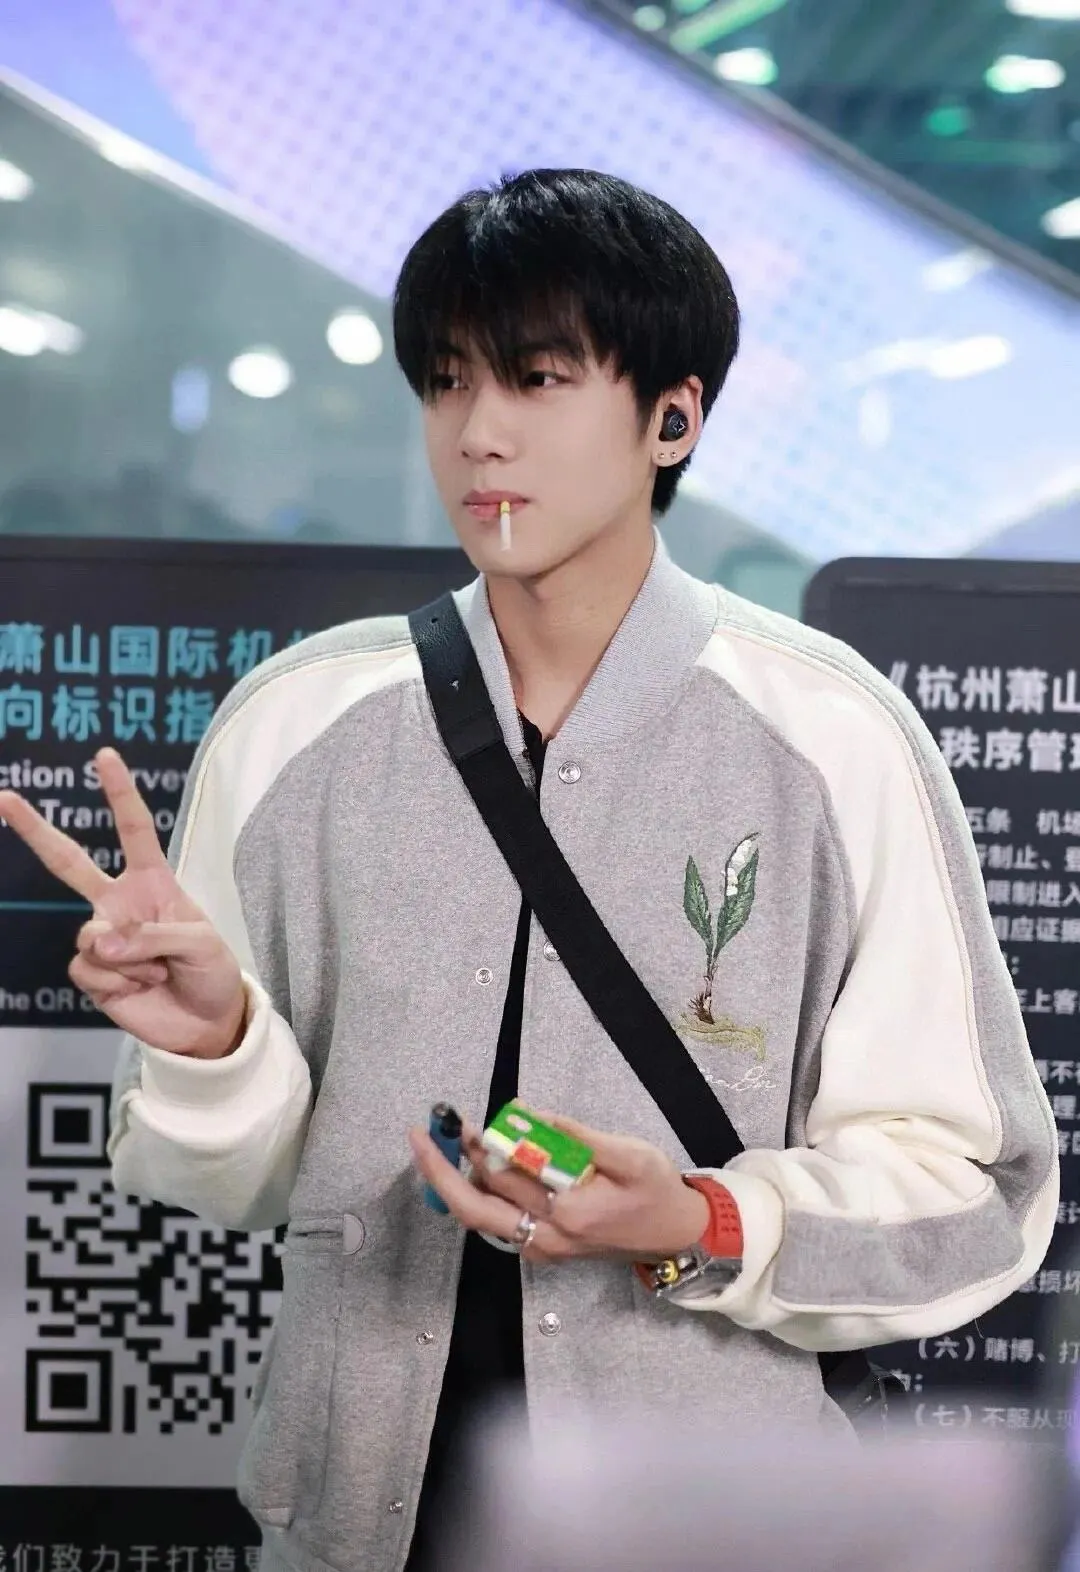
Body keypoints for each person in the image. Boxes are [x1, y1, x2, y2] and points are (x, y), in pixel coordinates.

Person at [0, 168, 1058, 1572]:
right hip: (357, 1520)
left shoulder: (832, 735)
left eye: (539, 378)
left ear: (673, 416)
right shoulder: (298, 727)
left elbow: (975, 1193)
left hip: (710, 1528)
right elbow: (227, 1182)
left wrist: (701, 1219)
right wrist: (216, 1046)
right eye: (448, 380)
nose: (478, 431)